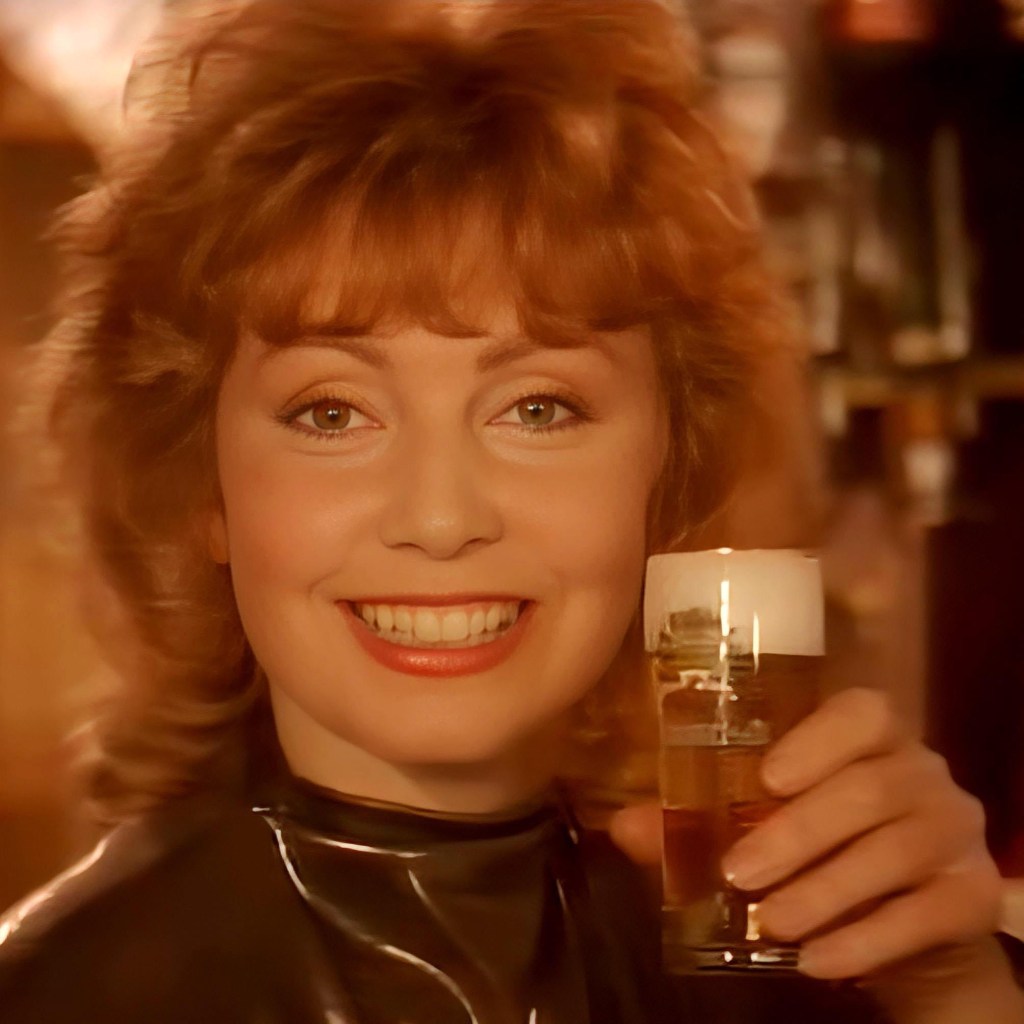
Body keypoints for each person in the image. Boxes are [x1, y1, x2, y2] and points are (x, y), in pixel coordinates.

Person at [0, 1, 1019, 1021]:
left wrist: (957, 993)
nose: (441, 519)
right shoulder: (74, 990)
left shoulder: (765, 952)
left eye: (538, 408)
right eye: (332, 412)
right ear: (202, 493)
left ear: (666, 474)